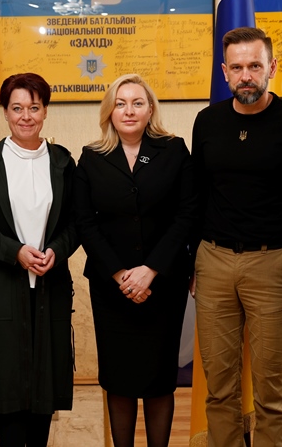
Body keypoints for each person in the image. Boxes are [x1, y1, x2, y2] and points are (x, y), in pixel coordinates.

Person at [191, 26, 282, 446]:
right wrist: (191, 264)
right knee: (219, 386)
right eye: (237, 67)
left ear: (271, 68)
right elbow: (197, 195)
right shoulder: (207, 121)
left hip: (274, 264)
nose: (246, 76)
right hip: (214, 261)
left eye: (254, 66)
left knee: (271, 391)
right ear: (224, 72)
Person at [74, 74, 195, 447]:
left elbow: (186, 215)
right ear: (109, 111)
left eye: (137, 103)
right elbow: (85, 223)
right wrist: (120, 274)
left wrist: (150, 270)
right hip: (111, 288)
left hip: (163, 284)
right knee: (119, 379)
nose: (129, 110)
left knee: (159, 379)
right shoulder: (91, 157)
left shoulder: (173, 150)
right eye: (120, 103)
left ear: (150, 109)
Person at [0, 73, 79, 447]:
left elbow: (77, 223)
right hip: (0, 288)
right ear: (5, 112)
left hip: (50, 286)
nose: (25, 116)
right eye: (17, 108)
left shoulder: (63, 162)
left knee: (44, 389)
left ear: (45, 111)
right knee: (7, 391)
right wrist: (15, 251)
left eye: (34, 107)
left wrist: (56, 250)